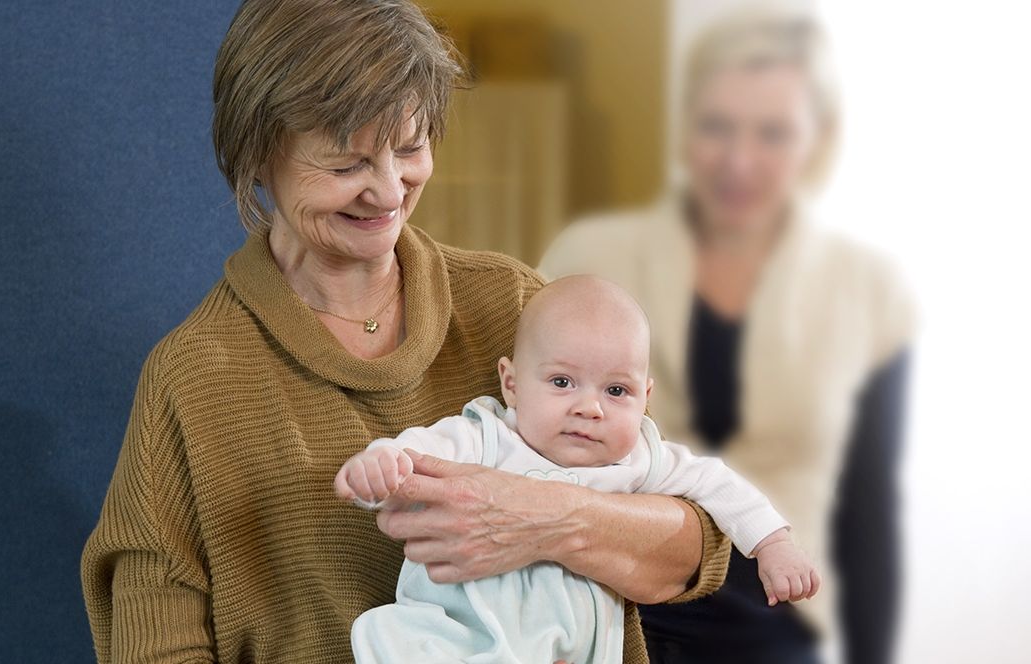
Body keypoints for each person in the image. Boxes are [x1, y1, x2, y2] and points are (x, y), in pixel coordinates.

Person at [79, 1, 731, 663]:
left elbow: (694, 551)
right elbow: (152, 645)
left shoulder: (516, 307)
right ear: (257, 155)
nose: (389, 190)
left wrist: (542, 519)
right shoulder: (193, 378)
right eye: (345, 165)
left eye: (410, 147)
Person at [539, 7, 916, 664]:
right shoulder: (587, 257)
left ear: (816, 139)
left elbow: (869, 511)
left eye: (772, 133)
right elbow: (512, 424)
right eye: (717, 127)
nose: (738, 160)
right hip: (595, 619)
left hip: (774, 627)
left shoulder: (868, 289)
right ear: (685, 129)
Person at [336, 275, 819, 663]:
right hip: (460, 638)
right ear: (512, 384)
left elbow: (717, 485)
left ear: (645, 398)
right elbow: (415, 457)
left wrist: (773, 544)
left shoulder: (638, 460)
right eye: (563, 382)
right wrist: (380, 465)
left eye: (616, 391)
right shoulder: (487, 436)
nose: (590, 408)